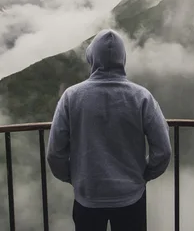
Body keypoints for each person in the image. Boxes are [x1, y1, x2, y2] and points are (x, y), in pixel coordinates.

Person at [46, 29, 172, 231]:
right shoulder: (142, 97)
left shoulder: (71, 97)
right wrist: (144, 174)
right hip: (131, 197)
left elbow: (55, 153)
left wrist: (73, 176)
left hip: (88, 196)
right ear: (123, 58)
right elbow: (163, 150)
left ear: (93, 58)